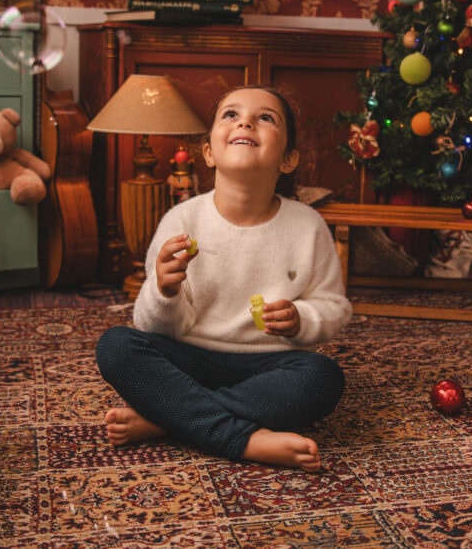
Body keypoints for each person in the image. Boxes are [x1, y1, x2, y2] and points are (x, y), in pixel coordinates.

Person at [95, 85, 351, 472]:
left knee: (322, 378)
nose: (246, 121)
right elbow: (153, 326)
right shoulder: (182, 220)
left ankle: (167, 418)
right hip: (187, 358)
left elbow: (334, 307)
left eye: (266, 117)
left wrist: (302, 319)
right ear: (209, 152)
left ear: (288, 159)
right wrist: (164, 290)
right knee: (116, 346)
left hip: (267, 365)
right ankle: (244, 439)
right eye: (230, 114)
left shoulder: (308, 226)